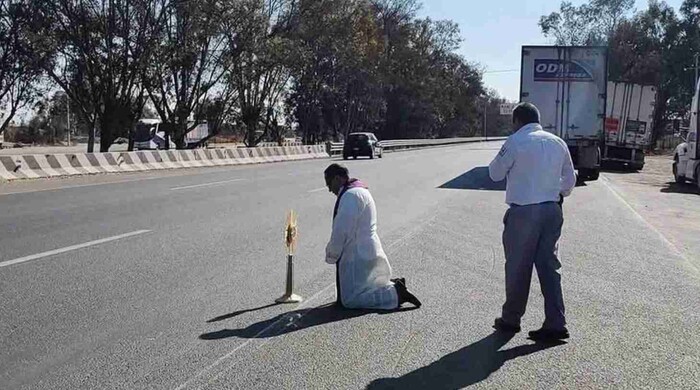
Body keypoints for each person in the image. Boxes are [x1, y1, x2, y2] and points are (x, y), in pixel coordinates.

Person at [488, 102, 576, 341]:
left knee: (518, 267)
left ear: (517, 121)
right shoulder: (558, 142)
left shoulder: (515, 141)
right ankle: (556, 323)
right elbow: (569, 179)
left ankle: (511, 319)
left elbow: (494, 173)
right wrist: (558, 194)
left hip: (524, 213)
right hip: (552, 210)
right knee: (550, 267)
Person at [324, 163, 421, 310]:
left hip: (357, 255)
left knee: (351, 300)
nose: (330, 190)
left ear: (337, 178)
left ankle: (395, 293)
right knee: (361, 289)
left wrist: (332, 254)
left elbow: (341, 230)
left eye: (329, 184)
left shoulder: (351, 196)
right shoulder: (359, 192)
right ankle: (393, 287)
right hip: (364, 249)